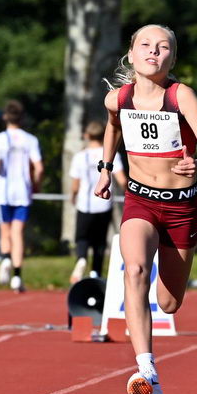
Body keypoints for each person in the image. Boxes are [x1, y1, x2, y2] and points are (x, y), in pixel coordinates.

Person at [94, 24, 197, 394]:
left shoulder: (182, 97)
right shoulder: (117, 99)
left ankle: (150, 356)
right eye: (146, 45)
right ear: (131, 54)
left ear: (172, 58)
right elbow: (112, 130)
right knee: (133, 269)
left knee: (168, 303)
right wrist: (105, 168)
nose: (154, 52)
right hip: (140, 201)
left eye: (163, 47)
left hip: (183, 207)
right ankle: (146, 368)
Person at [0, 100, 44, 293]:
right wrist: (35, 184)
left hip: (4, 192)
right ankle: (17, 276)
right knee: (17, 233)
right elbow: (39, 167)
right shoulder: (30, 140)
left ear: (5, 117)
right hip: (23, 191)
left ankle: (5, 258)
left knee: (5, 231)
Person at [69, 120, 128, 283]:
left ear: (87, 136)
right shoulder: (111, 155)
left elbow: (75, 184)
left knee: (82, 237)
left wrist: (73, 197)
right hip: (103, 204)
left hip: (84, 204)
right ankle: (95, 273)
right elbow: (122, 180)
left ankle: (81, 259)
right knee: (99, 241)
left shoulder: (80, 156)